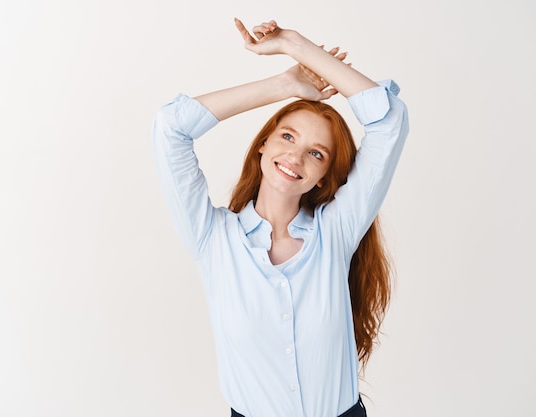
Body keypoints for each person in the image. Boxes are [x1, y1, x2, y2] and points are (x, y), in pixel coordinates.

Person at [152, 18, 409, 417]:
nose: (295, 157)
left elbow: (389, 119)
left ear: (325, 176)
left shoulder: (335, 233)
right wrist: (284, 85)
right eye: (287, 137)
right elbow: (170, 127)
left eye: (316, 153)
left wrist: (295, 44)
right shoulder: (214, 239)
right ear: (263, 144)